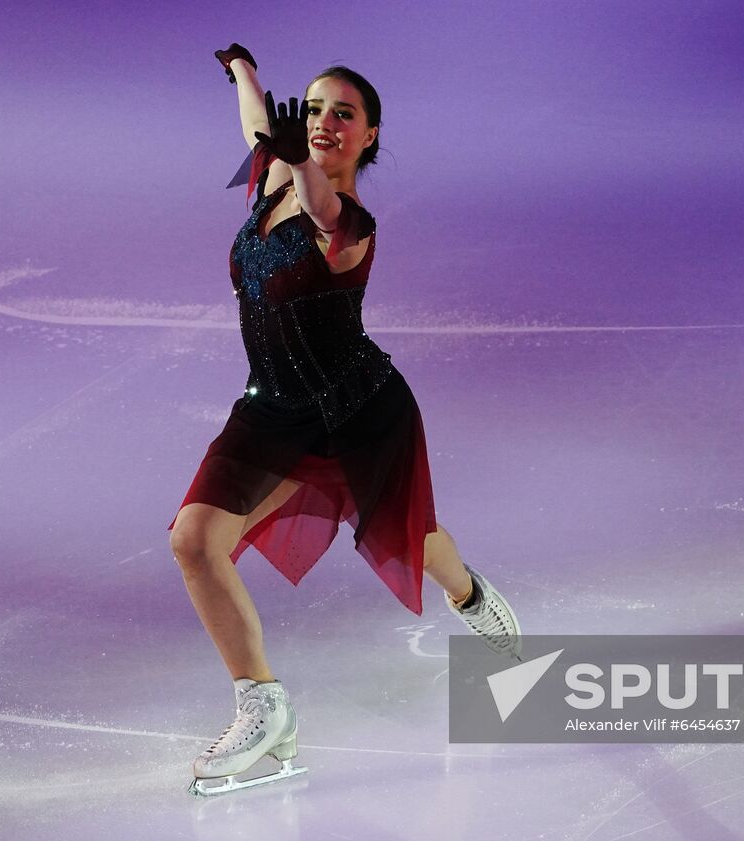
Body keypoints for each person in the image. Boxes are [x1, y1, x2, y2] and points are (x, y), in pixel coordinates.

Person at [167, 43, 523, 797]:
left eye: (346, 114)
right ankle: (263, 706)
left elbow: (323, 210)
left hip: (358, 410)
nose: (327, 121)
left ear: (370, 138)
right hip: (271, 409)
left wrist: (298, 160)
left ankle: (471, 595)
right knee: (195, 540)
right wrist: (242, 71)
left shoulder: (351, 224)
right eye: (317, 107)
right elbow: (257, 127)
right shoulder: (269, 173)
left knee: (412, 536)